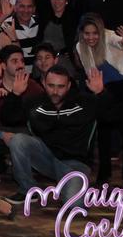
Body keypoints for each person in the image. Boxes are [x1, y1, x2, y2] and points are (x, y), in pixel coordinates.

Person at [7, 65, 108, 204]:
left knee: (75, 205)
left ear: (69, 86)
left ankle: (71, 184)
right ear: (44, 83)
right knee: (18, 140)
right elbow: (8, 118)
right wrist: (15, 94)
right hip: (45, 157)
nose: (55, 91)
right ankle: (27, 190)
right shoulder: (34, 102)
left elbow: (112, 116)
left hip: (75, 163)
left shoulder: (85, 101)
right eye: (51, 86)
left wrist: (101, 93)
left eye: (61, 87)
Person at [73, 13, 123, 187]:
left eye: (95, 33)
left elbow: (119, 42)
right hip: (105, 87)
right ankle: (104, 174)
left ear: (101, 31)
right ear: (81, 33)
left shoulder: (109, 36)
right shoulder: (80, 47)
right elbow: (90, 72)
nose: (91, 37)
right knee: (103, 126)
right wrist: (97, 91)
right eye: (87, 33)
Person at [0, 46, 45, 185]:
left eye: (22, 61)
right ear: (3, 65)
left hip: (22, 131)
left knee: (34, 139)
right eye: (14, 61)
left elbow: (43, 117)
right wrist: (2, 135)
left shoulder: (33, 86)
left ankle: (21, 168)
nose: (20, 65)